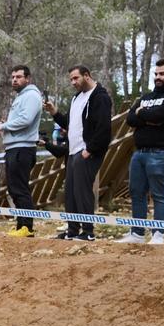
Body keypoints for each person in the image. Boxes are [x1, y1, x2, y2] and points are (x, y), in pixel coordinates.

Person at [115, 58, 164, 245]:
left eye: (162, 74)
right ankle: (137, 233)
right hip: (140, 153)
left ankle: (158, 235)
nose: (158, 77)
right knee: (136, 192)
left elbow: (159, 115)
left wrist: (143, 114)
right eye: (156, 74)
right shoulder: (147, 97)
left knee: (159, 194)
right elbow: (130, 119)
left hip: (163, 153)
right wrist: (145, 116)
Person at [43, 65, 112, 241]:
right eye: (71, 79)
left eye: (76, 78)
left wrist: (89, 150)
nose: (73, 82)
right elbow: (69, 123)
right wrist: (54, 112)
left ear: (87, 76)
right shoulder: (77, 98)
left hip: (86, 151)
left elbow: (104, 129)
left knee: (83, 192)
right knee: (71, 193)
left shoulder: (100, 97)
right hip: (72, 152)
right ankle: (72, 230)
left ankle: (88, 232)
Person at [0, 65, 41, 237]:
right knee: (14, 189)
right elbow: (20, 120)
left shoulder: (32, 95)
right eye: (13, 77)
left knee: (20, 189)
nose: (15, 80)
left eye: (18, 77)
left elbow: (26, 120)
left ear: (28, 78)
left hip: (23, 148)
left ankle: (27, 228)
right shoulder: (21, 97)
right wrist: (3, 126)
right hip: (14, 147)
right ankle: (21, 226)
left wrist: (3, 126)